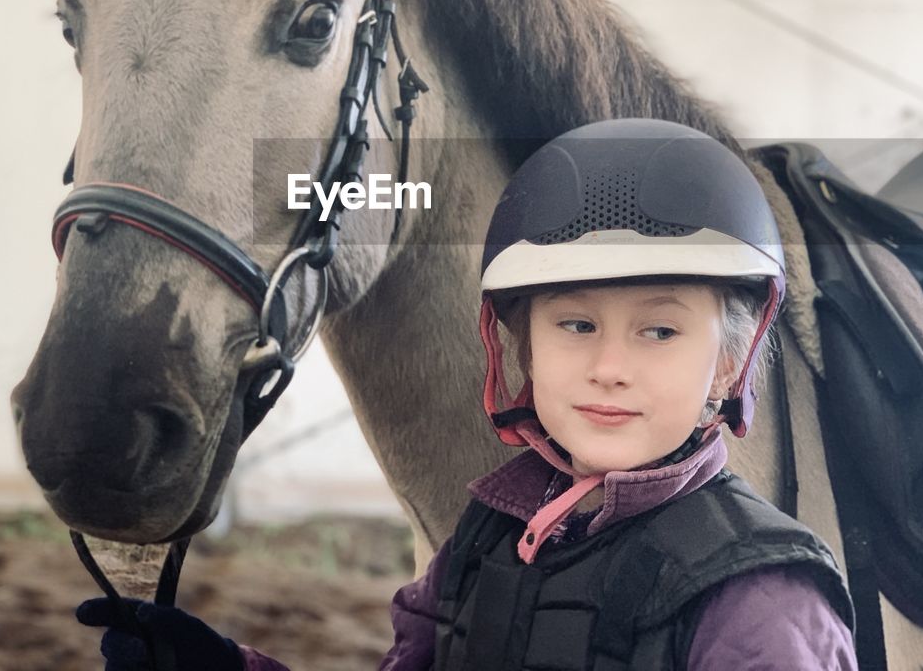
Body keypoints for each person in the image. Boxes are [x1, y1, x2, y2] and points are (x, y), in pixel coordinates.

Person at [78, 118, 857, 670]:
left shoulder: (759, 595)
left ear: (727, 365)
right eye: (577, 325)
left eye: (659, 333)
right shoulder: (484, 536)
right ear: (517, 347)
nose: (610, 367)